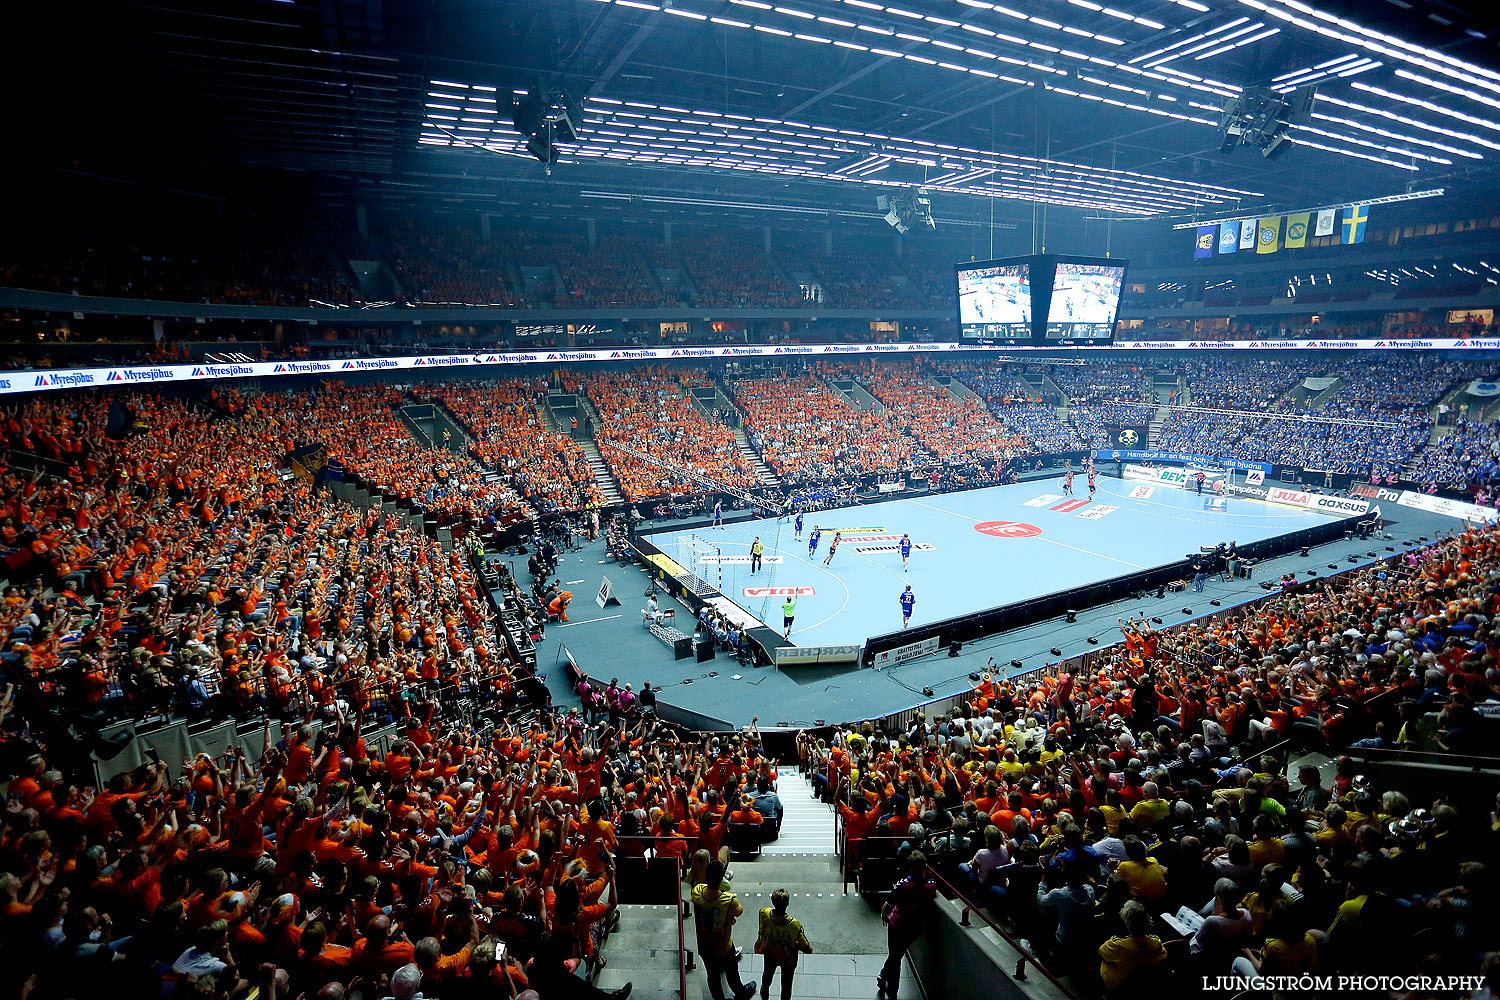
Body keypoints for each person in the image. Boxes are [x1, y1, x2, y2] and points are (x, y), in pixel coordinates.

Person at [692, 860, 757, 1000]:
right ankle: (741, 992)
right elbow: (739, 911)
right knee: (732, 973)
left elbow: (700, 890)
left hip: (704, 945)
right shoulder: (728, 900)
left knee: (712, 975)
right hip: (723, 945)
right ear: (722, 878)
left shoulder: (697, 892)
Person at [879, 852, 936, 999]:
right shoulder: (930, 887)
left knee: (895, 956)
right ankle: (883, 975)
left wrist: (884, 915)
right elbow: (932, 883)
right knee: (897, 954)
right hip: (915, 928)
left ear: (910, 868)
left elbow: (887, 905)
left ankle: (892, 990)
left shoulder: (903, 885)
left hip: (897, 926)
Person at [755, 888, 813, 1000]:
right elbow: (808, 949)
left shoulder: (764, 914)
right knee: (786, 987)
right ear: (787, 904)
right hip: (788, 960)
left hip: (770, 955)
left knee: (766, 980)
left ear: (772, 901)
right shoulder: (794, 926)